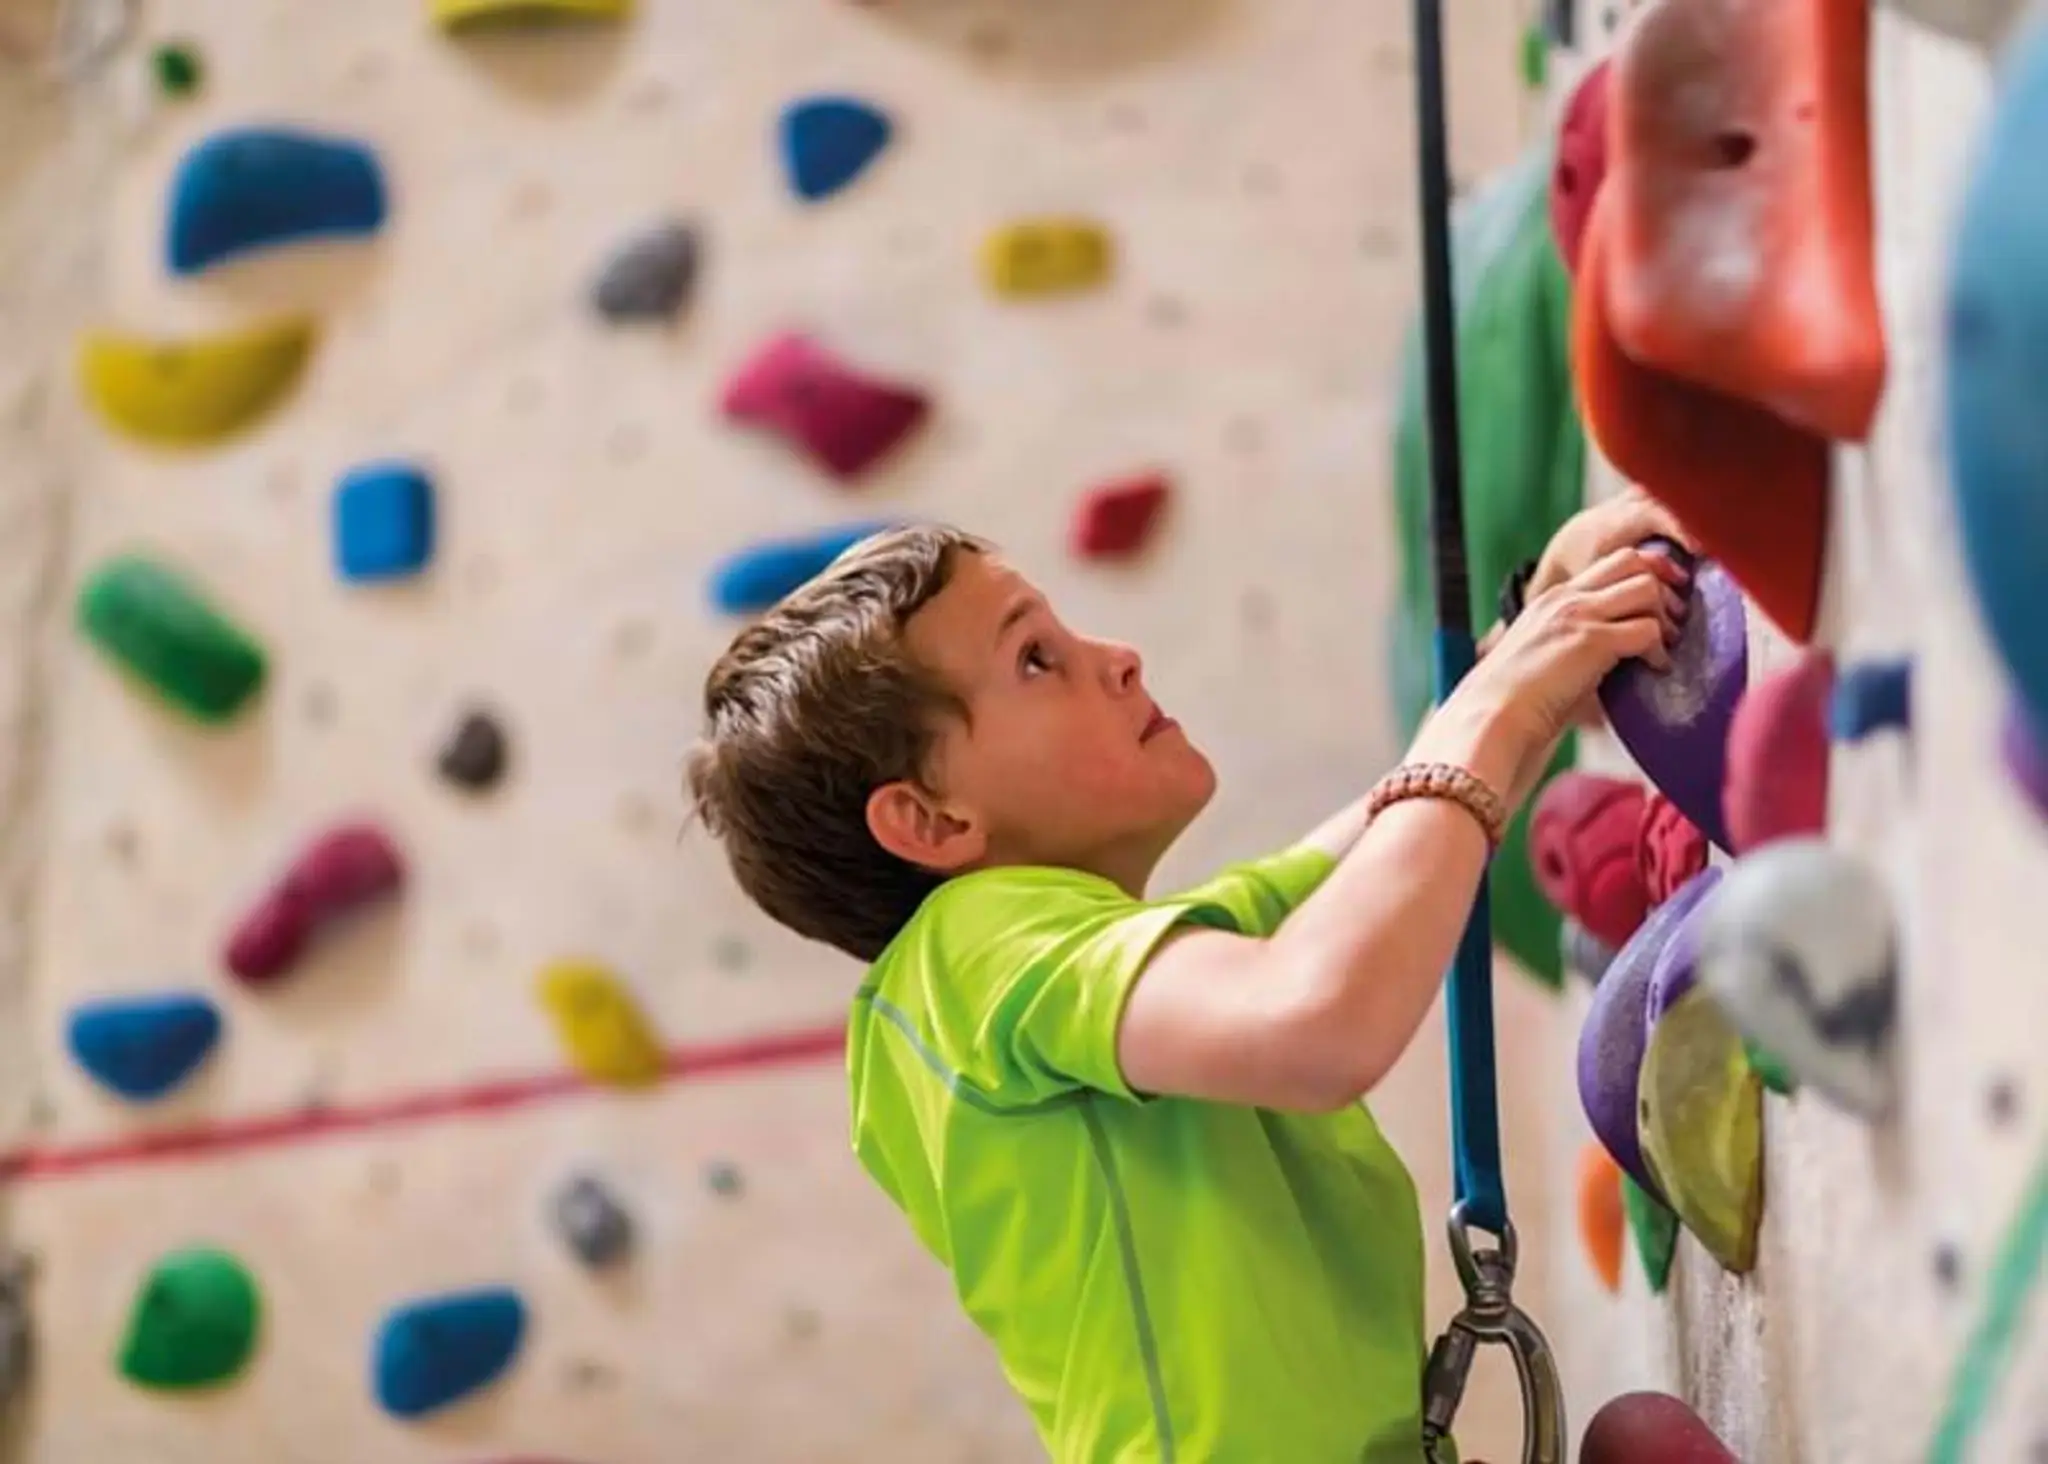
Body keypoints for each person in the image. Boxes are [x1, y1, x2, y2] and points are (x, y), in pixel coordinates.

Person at [686, 492, 1695, 1463]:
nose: (1116, 659)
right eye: (1035, 658)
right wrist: (1508, 696)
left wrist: (1531, 635)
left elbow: (1390, 851)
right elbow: (1318, 1020)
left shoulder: (1078, 962)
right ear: (934, 823)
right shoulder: (966, 954)